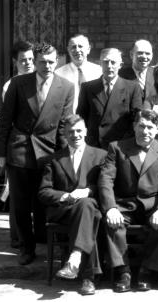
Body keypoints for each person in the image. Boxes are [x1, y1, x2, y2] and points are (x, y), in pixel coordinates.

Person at [0, 43, 75, 265]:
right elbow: (5, 119)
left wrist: (63, 157)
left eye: (51, 61)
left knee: (45, 199)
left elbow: (63, 125)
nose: (47, 66)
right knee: (20, 203)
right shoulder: (19, 83)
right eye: (42, 62)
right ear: (34, 62)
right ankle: (26, 247)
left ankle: (44, 241)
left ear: (57, 61)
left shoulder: (66, 87)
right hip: (20, 149)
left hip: (48, 151)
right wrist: (1, 153)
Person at [98, 109, 158, 292]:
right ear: (134, 126)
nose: (145, 131)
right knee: (111, 222)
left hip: (152, 205)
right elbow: (106, 179)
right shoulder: (117, 147)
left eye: (150, 127)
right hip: (125, 204)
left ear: (157, 129)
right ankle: (123, 271)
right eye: (141, 126)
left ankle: (146, 271)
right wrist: (110, 207)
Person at [38, 115, 107, 296]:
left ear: (86, 132)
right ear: (64, 134)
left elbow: (106, 187)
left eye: (78, 131)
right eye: (70, 132)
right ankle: (88, 276)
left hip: (89, 208)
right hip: (63, 211)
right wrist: (65, 196)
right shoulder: (54, 159)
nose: (75, 135)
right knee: (91, 213)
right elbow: (44, 191)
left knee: (88, 207)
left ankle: (78, 265)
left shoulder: (101, 156)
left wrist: (88, 191)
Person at [1, 39, 35, 249]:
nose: (28, 63)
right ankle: (17, 237)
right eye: (23, 60)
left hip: (38, 146)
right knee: (18, 194)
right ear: (15, 62)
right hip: (19, 144)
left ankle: (35, 234)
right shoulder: (11, 85)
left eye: (31, 59)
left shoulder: (38, 80)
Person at [77, 48, 143, 149]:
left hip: (121, 146)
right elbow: (81, 118)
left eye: (113, 62)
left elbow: (136, 119)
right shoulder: (88, 87)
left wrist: (126, 141)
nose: (109, 66)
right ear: (100, 63)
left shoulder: (132, 87)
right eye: (106, 62)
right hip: (94, 145)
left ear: (120, 65)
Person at [55, 34, 102, 111]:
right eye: (73, 47)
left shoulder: (99, 71)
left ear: (88, 49)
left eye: (80, 46)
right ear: (68, 50)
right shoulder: (58, 74)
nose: (77, 50)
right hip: (68, 118)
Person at [118, 39, 156, 104]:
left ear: (152, 56)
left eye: (147, 53)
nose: (144, 56)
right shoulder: (120, 75)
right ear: (131, 55)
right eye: (140, 53)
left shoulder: (157, 74)